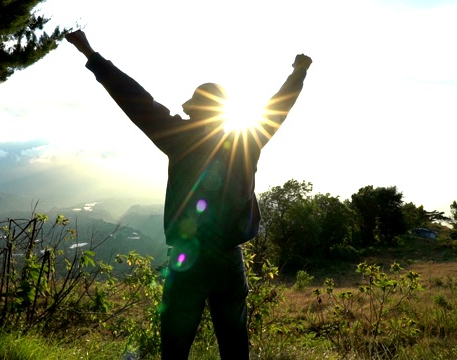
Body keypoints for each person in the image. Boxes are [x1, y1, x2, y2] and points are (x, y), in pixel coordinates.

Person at [65, 30, 312, 359]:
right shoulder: (247, 141)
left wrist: (90, 53)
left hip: (187, 260)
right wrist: (298, 72)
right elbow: (278, 107)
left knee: (175, 346)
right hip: (229, 259)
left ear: (194, 111)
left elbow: (133, 98)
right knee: (235, 346)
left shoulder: (179, 136)